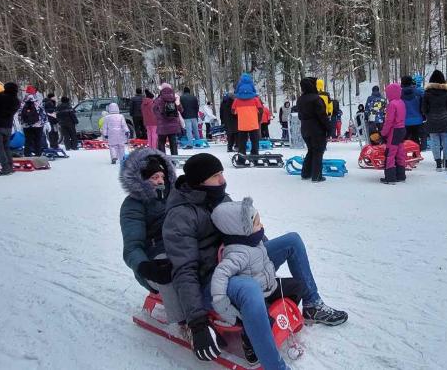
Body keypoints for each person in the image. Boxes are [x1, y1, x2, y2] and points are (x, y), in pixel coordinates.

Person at [163, 153, 347, 370]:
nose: (223, 180)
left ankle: (312, 305)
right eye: (215, 176)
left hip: (238, 261)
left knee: (292, 241)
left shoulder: (220, 198)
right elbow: (185, 270)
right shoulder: (180, 216)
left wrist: (262, 254)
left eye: (222, 173)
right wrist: (197, 323)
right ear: (199, 182)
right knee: (249, 288)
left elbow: (246, 230)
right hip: (213, 281)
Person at [210, 197, 307, 365]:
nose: (261, 226)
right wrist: (226, 308)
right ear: (243, 230)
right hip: (257, 298)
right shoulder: (236, 253)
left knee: (298, 286)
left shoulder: (255, 241)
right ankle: (250, 343)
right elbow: (219, 278)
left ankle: (286, 315)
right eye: (257, 223)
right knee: (262, 319)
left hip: (270, 286)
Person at [118, 148, 184, 322]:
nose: (160, 181)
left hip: (182, 246)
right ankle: (183, 323)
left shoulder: (174, 196)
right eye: (154, 177)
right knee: (168, 272)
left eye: (162, 177)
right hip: (156, 257)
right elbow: (132, 247)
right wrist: (144, 267)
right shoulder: (133, 206)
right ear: (141, 180)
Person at [297, 77, 331, 182]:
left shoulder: (300, 99)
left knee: (311, 151)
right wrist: (329, 128)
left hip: (304, 129)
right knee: (318, 152)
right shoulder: (316, 99)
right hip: (317, 130)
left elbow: (299, 116)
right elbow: (322, 116)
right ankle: (316, 176)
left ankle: (305, 173)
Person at [422, 70, 447, 171]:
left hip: (432, 120)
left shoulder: (427, 93)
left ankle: (438, 164)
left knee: (434, 142)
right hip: (446, 120)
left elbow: (423, 109)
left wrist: (428, 115)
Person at [380, 83, 407, 184]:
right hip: (402, 129)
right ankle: (401, 175)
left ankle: (390, 177)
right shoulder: (401, 102)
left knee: (390, 154)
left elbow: (389, 121)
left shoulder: (391, 104)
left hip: (394, 131)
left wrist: (383, 133)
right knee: (400, 152)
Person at [232, 74, 263, 160]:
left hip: (242, 125)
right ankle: (255, 156)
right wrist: (258, 119)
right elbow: (261, 110)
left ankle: (242, 157)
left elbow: (233, 111)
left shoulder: (237, 100)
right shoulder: (255, 99)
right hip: (253, 124)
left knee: (242, 142)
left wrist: (240, 113)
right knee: (255, 141)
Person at [152, 83, 182, 155]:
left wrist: (160, 117)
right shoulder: (175, 98)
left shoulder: (159, 99)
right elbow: (181, 110)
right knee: (173, 143)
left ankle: (163, 159)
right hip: (173, 126)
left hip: (162, 126)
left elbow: (154, 110)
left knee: (161, 143)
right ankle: (175, 160)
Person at [19, 91, 46, 157]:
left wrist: (22, 123)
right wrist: (44, 123)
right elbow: (43, 114)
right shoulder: (38, 104)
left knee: (28, 140)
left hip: (26, 126)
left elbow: (19, 115)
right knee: (37, 140)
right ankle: (38, 154)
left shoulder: (22, 105)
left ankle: (27, 154)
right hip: (38, 125)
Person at [400, 76, 424, 147]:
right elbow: (423, 106)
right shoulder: (419, 92)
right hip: (418, 120)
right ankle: (416, 153)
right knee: (415, 137)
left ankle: (404, 155)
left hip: (404, 121)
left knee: (404, 140)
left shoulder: (399, 94)